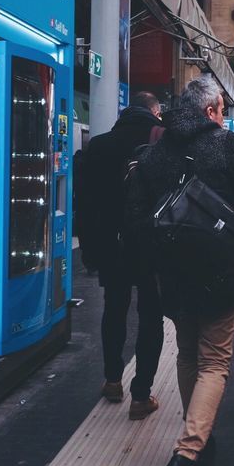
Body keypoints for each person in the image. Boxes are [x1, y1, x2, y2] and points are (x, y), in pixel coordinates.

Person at [125, 76, 234, 466]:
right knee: (215, 362)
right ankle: (188, 452)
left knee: (188, 352)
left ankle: (197, 431)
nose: (224, 116)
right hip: (219, 268)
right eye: (222, 109)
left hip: (172, 271)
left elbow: (138, 214)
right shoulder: (224, 145)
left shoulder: (154, 153)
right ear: (210, 112)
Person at [77, 91, 165, 420]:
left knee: (114, 308)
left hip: (112, 244)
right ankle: (141, 395)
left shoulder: (99, 145)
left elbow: (84, 204)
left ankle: (113, 380)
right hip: (151, 245)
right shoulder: (162, 143)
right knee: (150, 315)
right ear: (154, 112)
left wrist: (89, 249)